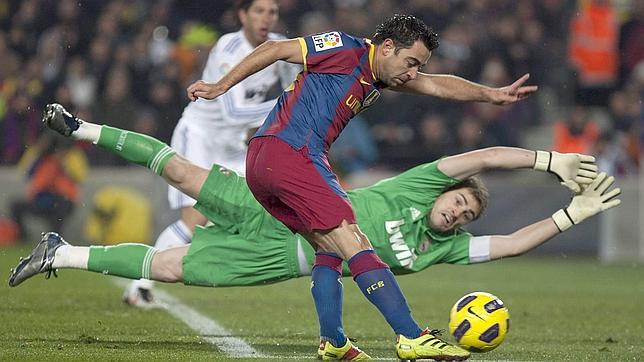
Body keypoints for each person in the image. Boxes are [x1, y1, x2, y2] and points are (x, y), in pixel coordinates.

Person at [10, 104, 620, 361]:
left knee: (171, 269)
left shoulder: (444, 250)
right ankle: (80, 126)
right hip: (277, 202)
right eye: (458, 203)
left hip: (281, 257)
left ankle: (63, 252)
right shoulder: (413, 187)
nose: (458, 213)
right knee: (181, 169)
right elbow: (481, 155)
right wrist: (547, 161)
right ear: (443, 193)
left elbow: (511, 244)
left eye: (465, 215)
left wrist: (574, 216)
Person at [186, 13, 538, 360]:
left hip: (271, 159)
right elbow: (276, 50)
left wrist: (490, 95)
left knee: (329, 248)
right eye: (411, 62)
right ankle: (411, 335)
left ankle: (334, 342)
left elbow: (435, 84)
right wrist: (220, 86)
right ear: (387, 47)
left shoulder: (380, 76)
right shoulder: (345, 49)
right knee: (353, 238)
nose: (413, 73)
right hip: (290, 153)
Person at [123, 0, 300, 306]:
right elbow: (234, 111)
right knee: (194, 220)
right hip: (200, 137)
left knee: (242, 212)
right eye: (258, 11)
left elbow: (292, 90)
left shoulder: (280, 50)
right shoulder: (228, 49)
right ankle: (139, 285)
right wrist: (286, 109)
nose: (266, 18)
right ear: (243, 15)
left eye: (271, 12)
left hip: (233, 146)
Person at [10, 133, 88, 240]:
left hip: (63, 198)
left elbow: (79, 177)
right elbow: (26, 173)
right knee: (16, 205)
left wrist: (63, 163)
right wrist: (39, 151)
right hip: (41, 198)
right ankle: (23, 237)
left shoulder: (72, 155)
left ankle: (55, 240)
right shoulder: (38, 155)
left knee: (59, 208)